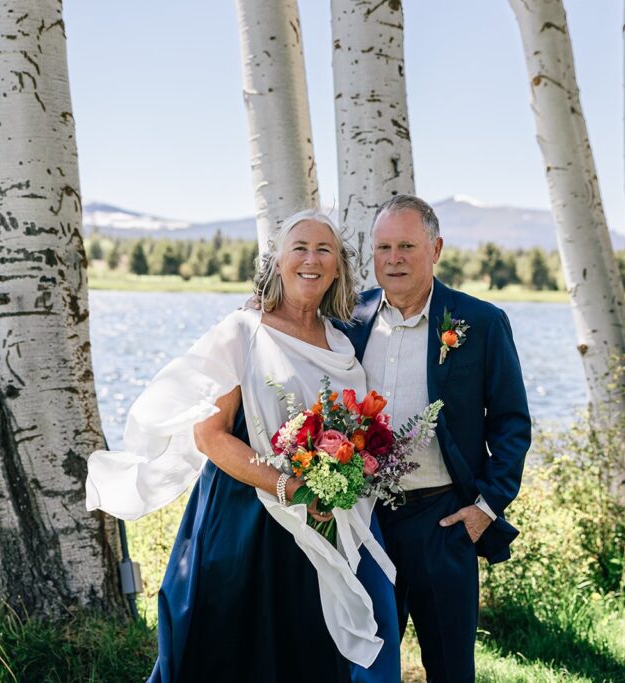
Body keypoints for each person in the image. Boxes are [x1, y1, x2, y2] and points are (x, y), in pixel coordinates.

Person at [85, 210, 400, 683]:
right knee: (227, 652)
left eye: (324, 250)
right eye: (300, 248)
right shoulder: (243, 331)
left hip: (317, 527)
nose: (311, 260)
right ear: (276, 261)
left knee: (306, 654)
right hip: (244, 519)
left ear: (339, 267)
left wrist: (339, 478)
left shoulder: (340, 342)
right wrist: (289, 486)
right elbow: (209, 435)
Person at [338, 195, 532, 682]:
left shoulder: (481, 323)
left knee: (449, 666)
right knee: (362, 660)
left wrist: (484, 509)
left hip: (444, 520)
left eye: (407, 245)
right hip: (365, 519)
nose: (394, 258)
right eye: (383, 247)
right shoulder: (348, 319)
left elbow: (511, 423)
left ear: (436, 248)